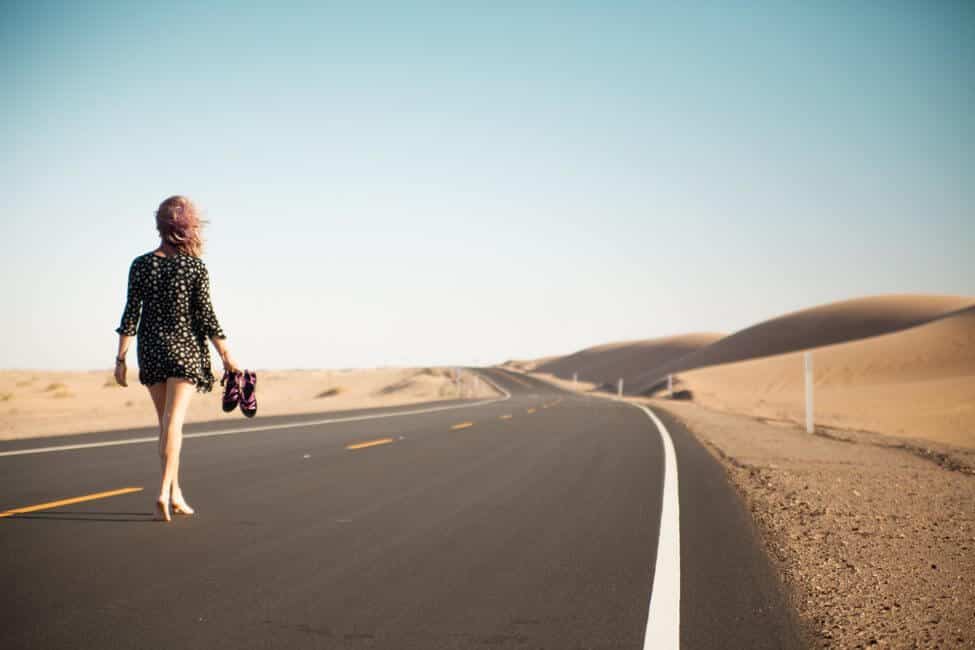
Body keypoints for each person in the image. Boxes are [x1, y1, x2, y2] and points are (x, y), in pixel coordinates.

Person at [113, 196, 239, 522]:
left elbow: (131, 314)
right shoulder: (195, 267)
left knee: (166, 425)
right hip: (184, 351)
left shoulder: (141, 264)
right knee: (174, 424)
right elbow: (207, 316)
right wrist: (226, 355)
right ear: (188, 226)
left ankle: (176, 493)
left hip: (151, 351)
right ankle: (163, 492)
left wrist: (121, 358)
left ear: (160, 224)